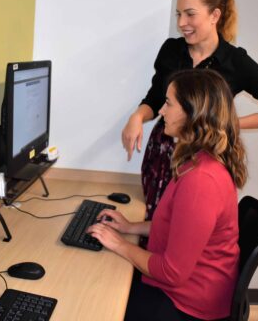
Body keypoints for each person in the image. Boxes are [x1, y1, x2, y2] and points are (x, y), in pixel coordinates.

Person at [121, 0, 258, 223]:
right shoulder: (171, 50)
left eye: (190, 14)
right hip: (162, 155)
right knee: (156, 223)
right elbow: (155, 97)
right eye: (179, 14)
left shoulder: (236, 62)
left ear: (215, 15)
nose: (182, 23)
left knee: (187, 228)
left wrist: (224, 123)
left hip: (203, 159)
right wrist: (137, 117)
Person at [90, 69, 246, 321]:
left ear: (192, 114)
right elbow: (179, 227)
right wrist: (131, 227)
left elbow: (172, 272)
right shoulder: (196, 162)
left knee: (98, 303)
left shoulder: (201, 181)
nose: (161, 111)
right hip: (185, 289)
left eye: (169, 103)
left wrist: (119, 243)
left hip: (188, 304)